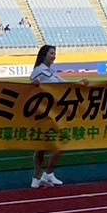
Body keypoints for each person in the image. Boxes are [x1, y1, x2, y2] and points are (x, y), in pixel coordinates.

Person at [29, 44, 81, 189]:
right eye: (51, 53)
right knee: (41, 146)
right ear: (44, 55)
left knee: (62, 141)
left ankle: (48, 173)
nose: (54, 56)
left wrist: (78, 84)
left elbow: (62, 83)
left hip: (55, 112)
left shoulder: (50, 71)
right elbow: (35, 86)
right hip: (43, 113)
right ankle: (38, 176)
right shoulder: (39, 71)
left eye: (54, 53)